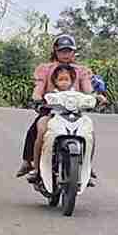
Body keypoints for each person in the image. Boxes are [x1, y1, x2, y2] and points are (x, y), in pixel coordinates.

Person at [16, 34, 102, 178]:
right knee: (40, 129)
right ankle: (34, 167)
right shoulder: (45, 69)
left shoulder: (81, 71)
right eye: (62, 51)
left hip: (75, 113)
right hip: (51, 112)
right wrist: (37, 99)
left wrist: (96, 97)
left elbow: (88, 89)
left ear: (74, 53)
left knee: (90, 133)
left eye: (69, 51)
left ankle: (86, 167)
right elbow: (38, 88)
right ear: (55, 51)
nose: (66, 54)